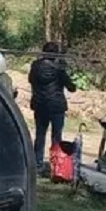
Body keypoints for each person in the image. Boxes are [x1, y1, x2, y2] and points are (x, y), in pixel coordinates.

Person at [28, 41, 76, 173]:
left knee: (40, 134)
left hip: (40, 104)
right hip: (56, 106)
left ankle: (37, 164)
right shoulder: (59, 69)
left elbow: (31, 80)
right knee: (56, 136)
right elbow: (72, 88)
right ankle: (56, 166)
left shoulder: (35, 67)